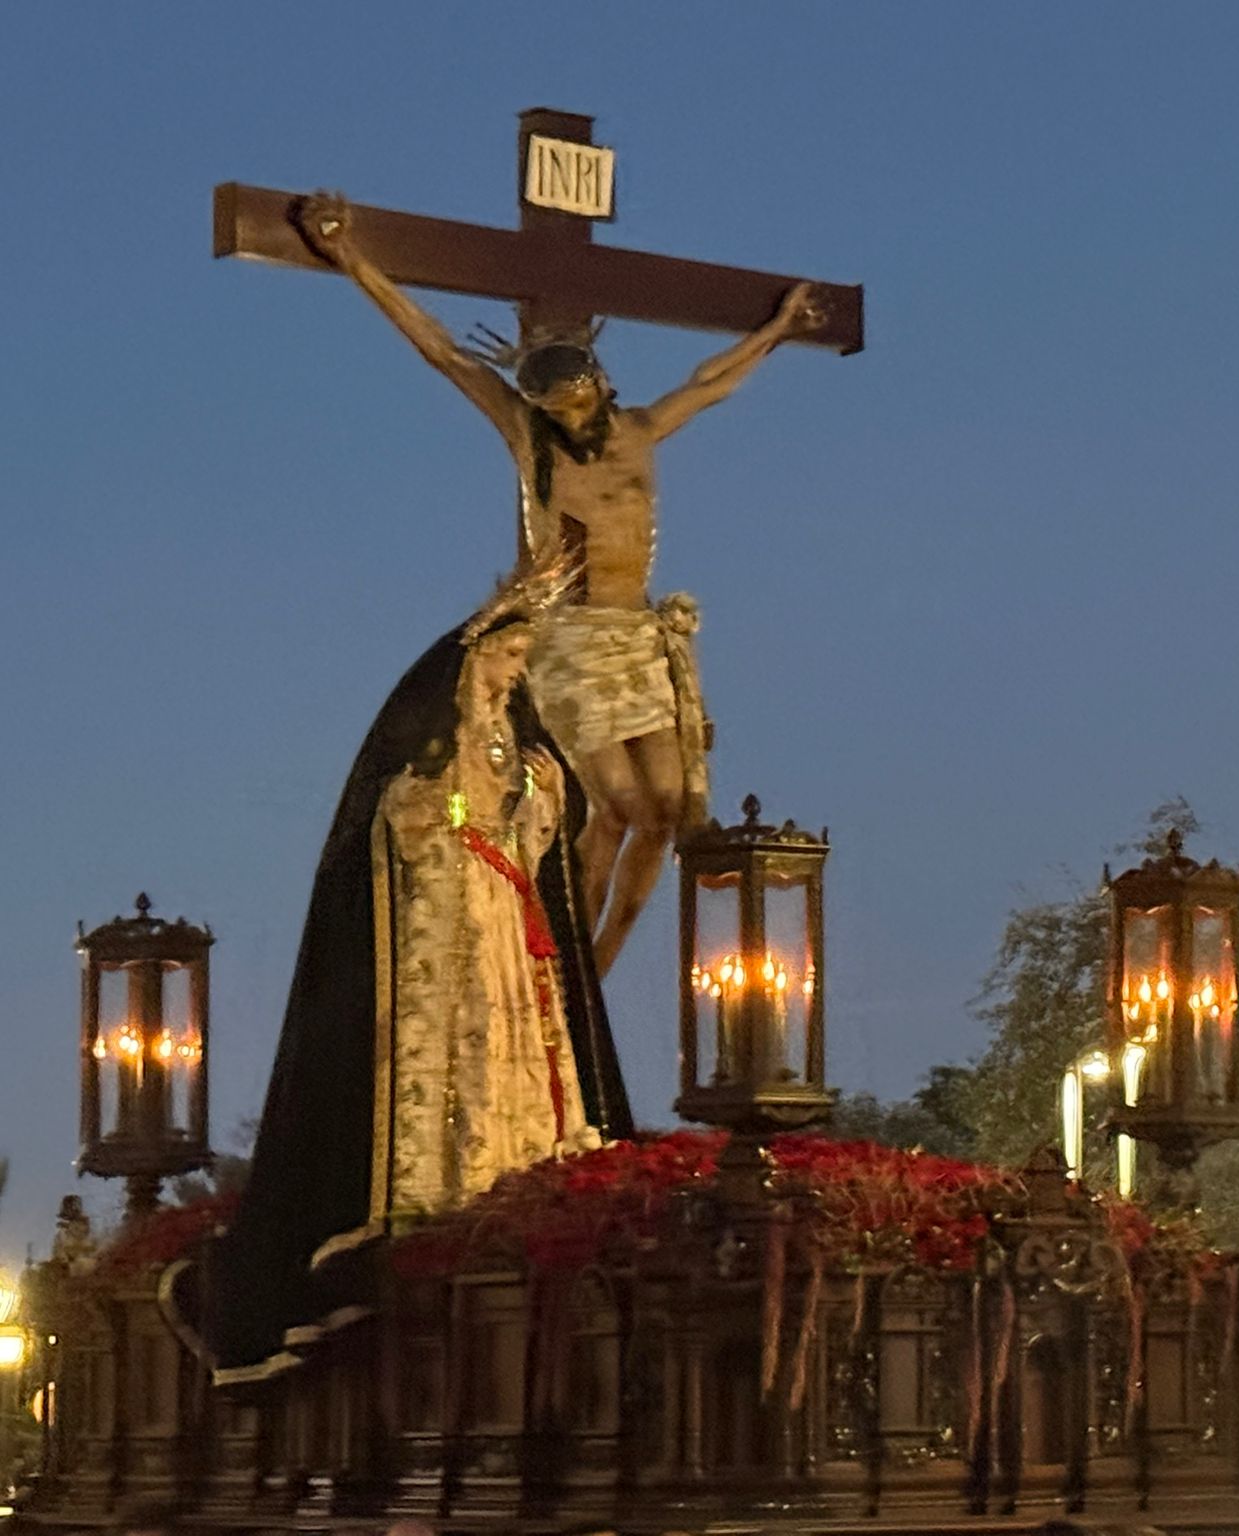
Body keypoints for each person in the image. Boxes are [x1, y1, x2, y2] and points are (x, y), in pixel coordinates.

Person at [289, 192, 827, 975]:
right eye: (558, 411)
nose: (573, 421)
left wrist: (778, 327)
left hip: (636, 631)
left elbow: (712, 381)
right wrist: (352, 259)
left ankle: (598, 958)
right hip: (571, 637)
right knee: (612, 805)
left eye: (581, 404)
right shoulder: (526, 435)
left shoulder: (640, 432)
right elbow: (443, 351)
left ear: (601, 387)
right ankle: (569, 960)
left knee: (670, 812)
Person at [202, 570, 634, 1385]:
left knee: (528, 1046)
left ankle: (529, 1180)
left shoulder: (523, 744)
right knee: (461, 1061)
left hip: (510, 922)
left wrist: (540, 793)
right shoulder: (434, 749)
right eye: (504, 654)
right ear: (469, 663)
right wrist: (448, 811)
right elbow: (405, 823)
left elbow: (545, 838)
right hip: (458, 928)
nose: (514, 671)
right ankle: (441, 1194)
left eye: (520, 656)